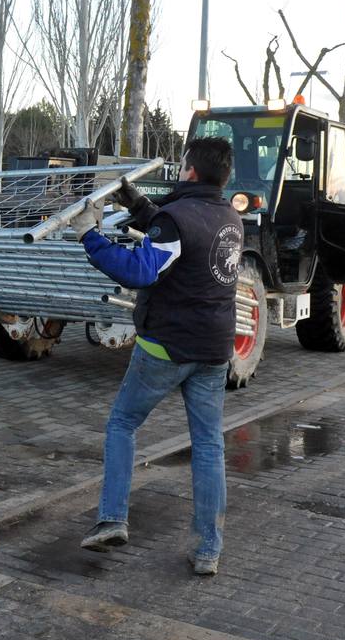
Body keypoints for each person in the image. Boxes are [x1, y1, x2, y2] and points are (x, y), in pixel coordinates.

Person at [71, 137, 243, 576]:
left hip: (165, 345)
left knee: (122, 424)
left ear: (188, 171)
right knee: (208, 446)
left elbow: (141, 270)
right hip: (214, 349)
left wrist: (89, 236)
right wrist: (139, 204)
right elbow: (177, 238)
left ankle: (112, 519)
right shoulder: (229, 217)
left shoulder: (176, 219)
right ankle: (209, 550)